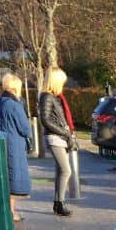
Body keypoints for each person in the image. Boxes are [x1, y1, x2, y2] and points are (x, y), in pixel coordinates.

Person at [38, 67, 77, 217]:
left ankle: (58, 203)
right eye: (61, 81)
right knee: (66, 170)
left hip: (59, 137)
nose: (63, 84)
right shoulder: (47, 97)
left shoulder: (54, 97)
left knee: (61, 171)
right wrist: (65, 133)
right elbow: (46, 120)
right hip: (55, 137)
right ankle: (60, 203)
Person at [0, 72, 32, 223]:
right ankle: (10, 213)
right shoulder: (14, 105)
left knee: (7, 178)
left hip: (3, 142)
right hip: (14, 144)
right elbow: (25, 128)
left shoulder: (0, 102)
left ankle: (10, 212)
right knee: (13, 181)